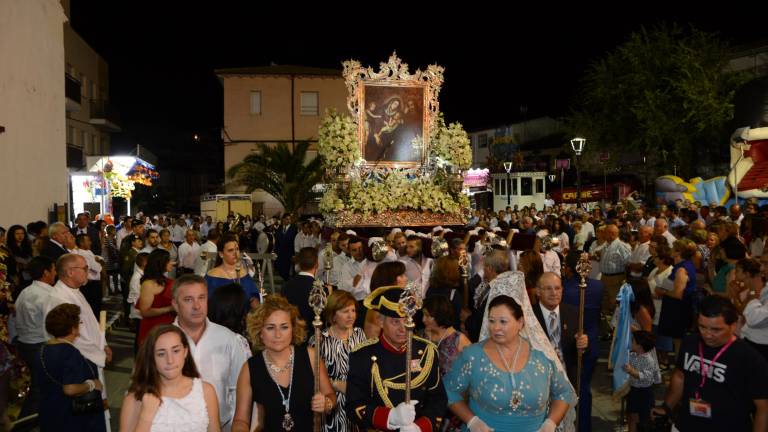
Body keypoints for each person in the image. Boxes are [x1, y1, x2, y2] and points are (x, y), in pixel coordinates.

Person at [446, 294, 576, 431]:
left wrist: (550, 423)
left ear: (520, 323)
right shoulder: (472, 355)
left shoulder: (541, 357)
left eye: (503, 321)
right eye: (491, 321)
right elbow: (449, 391)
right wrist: (472, 421)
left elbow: (564, 392)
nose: (496, 328)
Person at [652, 295, 768, 431]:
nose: (707, 334)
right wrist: (667, 407)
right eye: (702, 327)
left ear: (734, 325)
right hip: (686, 424)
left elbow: (763, 407)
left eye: (716, 330)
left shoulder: (750, 359)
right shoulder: (690, 343)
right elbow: (680, 376)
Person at [346, 285, 447, 431]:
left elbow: (438, 400)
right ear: (380, 321)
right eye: (395, 322)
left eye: (406, 321)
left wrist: (420, 427)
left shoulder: (427, 352)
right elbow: (354, 406)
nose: (402, 328)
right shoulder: (362, 356)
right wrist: (390, 417)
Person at [232, 295, 336, 432]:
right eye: (270, 328)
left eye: (284, 327)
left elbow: (331, 396)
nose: (278, 335)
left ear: (293, 329)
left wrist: (326, 403)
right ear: (260, 332)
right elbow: (241, 420)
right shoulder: (250, 368)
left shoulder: (311, 357)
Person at [173, 275, 252, 429]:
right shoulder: (160, 343)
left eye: (201, 298)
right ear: (175, 304)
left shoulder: (228, 339)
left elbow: (240, 389)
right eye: (188, 299)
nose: (197, 306)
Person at [120, 325, 220, 432]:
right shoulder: (136, 397)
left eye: (176, 351)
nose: (170, 360)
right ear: (151, 358)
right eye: (161, 354)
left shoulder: (206, 392)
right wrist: (146, 418)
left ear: (185, 352)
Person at [36, 303, 105, 431]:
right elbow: (70, 389)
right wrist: (92, 384)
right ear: (73, 329)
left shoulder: (43, 349)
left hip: (49, 411)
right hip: (69, 416)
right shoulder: (69, 352)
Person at [309, 290, 368, 432]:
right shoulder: (319, 340)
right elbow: (312, 378)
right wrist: (335, 384)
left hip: (357, 403)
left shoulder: (360, 335)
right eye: (345, 311)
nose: (351, 316)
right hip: (331, 405)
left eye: (353, 310)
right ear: (333, 315)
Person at [12, 256, 56, 420]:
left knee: (35, 385)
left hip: (24, 342)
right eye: (53, 269)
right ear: (46, 273)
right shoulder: (47, 295)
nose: (55, 273)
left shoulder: (25, 291)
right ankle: (29, 421)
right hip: (38, 344)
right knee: (39, 388)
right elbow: (50, 325)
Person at [422, 295, 470, 432]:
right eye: (423, 315)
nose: (423, 319)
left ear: (440, 315)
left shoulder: (460, 340)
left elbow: (472, 374)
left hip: (451, 405)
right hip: (426, 402)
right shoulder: (422, 335)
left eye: (427, 316)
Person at [205, 233, 260, 310]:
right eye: (230, 250)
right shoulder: (212, 276)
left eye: (237, 249)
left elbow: (253, 295)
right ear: (221, 254)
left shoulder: (244, 273)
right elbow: (208, 303)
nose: (235, 253)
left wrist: (255, 303)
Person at [623, 330, 661, 432]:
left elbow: (647, 376)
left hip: (644, 394)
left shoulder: (649, 360)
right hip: (634, 391)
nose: (631, 342)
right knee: (632, 416)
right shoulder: (632, 355)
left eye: (633, 341)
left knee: (644, 420)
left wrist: (632, 371)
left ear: (640, 346)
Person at [137, 249, 176, 346]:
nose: (172, 263)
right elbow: (145, 311)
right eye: (169, 260)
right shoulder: (148, 284)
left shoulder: (167, 281)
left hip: (168, 328)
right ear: (161, 263)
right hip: (153, 330)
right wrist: (170, 308)